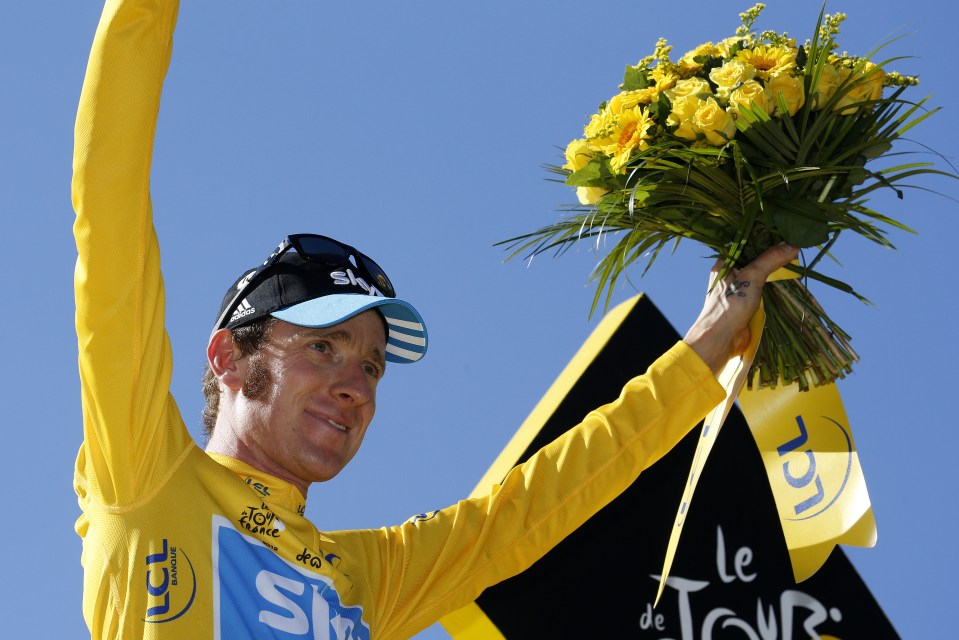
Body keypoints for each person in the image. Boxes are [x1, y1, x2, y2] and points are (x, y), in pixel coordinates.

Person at [71, 1, 799, 639]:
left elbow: (539, 500)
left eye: (371, 364)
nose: (356, 385)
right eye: (324, 346)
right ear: (228, 358)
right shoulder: (148, 475)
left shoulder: (371, 576)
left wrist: (711, 339)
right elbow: (110, 214)